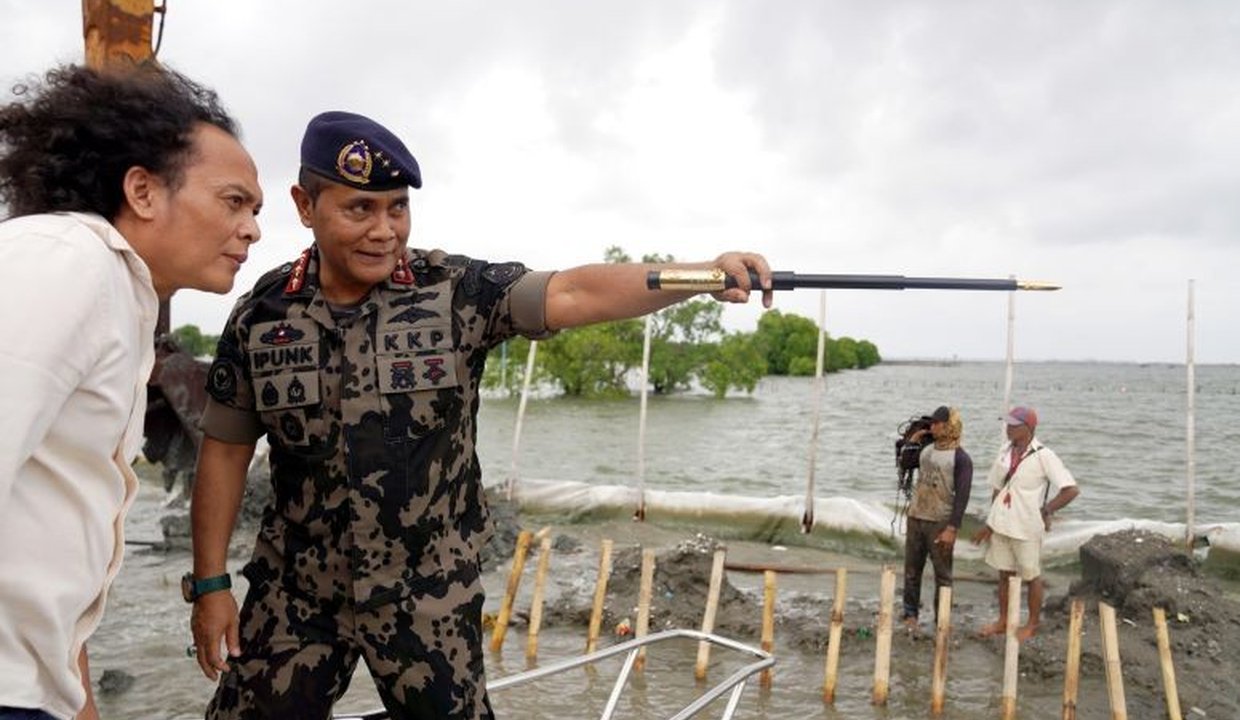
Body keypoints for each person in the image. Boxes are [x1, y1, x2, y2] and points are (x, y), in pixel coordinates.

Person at [188, 110, 773, 720]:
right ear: (305, 206)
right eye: (360, 210)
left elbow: (572, 291)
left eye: (397, 208)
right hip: (296, 596)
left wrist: (701, 276)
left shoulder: (454, 292)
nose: (384, 231)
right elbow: (224, 452)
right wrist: (210, 585)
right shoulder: (261, 316)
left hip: (427, 597)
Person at [0, 65, 262, 720]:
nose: (252, 229)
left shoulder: (119, 298)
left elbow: (52, 542)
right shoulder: (65, 261)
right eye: (233, 202)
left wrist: (76, 701)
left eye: (254, 210)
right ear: (143, 191)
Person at [972, 405, 1080, 641]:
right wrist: (990, 524)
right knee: (1004, 574)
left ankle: (1032, 624)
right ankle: (1003, 620)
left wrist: (1047, 510)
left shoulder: (1043, 455)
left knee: (1031, 576)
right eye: (1007, 424)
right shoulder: (1005, 451)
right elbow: (997, 488)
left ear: (1028, 428)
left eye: (1013, 425)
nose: (1008, 428)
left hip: (1026, 527)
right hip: (1002, 524)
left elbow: (1071, 489)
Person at [900, 406, 972, 632]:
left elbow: (962, 496)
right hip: (916, 516)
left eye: (937, 423)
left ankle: (942, 618)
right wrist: (913, 441)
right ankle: (910, 614)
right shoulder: (927, 451)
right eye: (931, 423)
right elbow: (906, 463)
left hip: (940, 521)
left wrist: (952, 528)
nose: (932, 426)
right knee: (912, 570)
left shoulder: (961, 458)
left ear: (949, 425)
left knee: (943, 574)